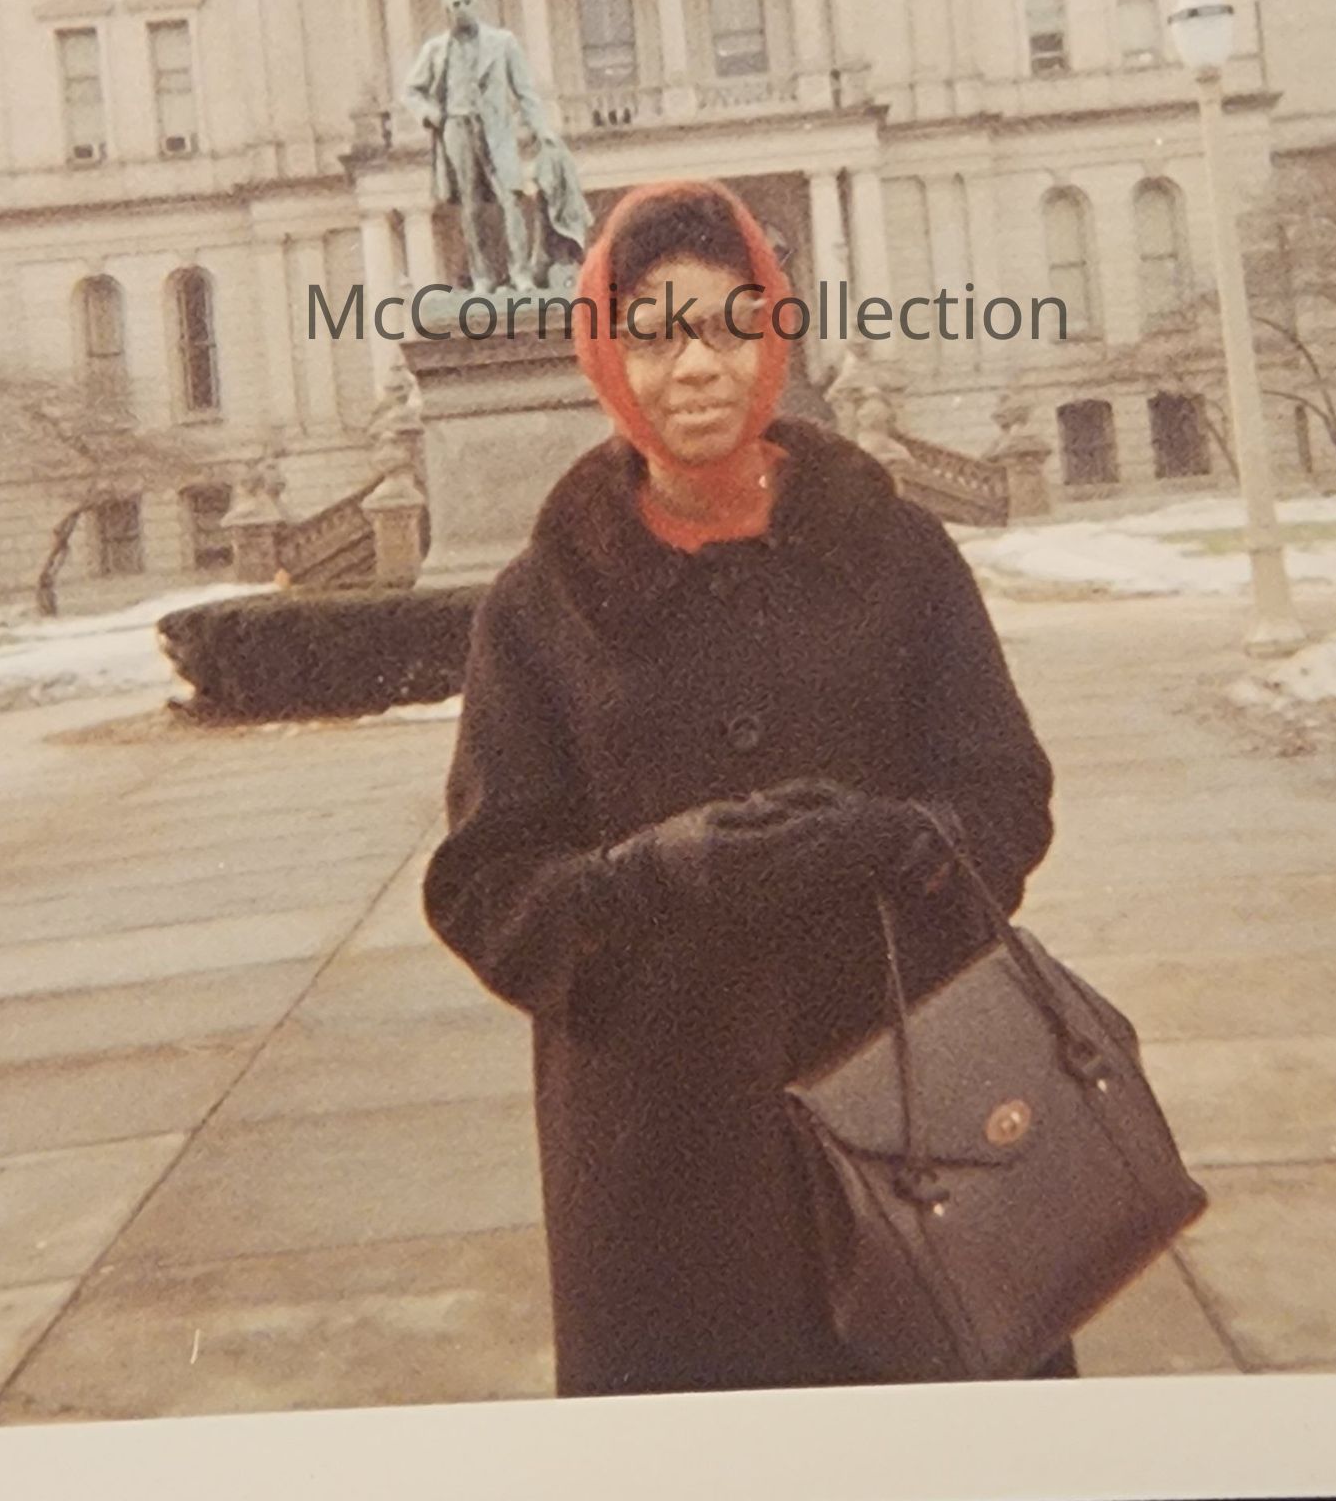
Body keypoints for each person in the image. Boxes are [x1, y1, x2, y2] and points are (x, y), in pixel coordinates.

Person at [423, 178, 1069, 1396]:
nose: (696, 366)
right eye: (655, 335)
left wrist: (902, 840)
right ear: (607, 356)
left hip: (912, 1108)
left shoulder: (898, 552)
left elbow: (1003, 792)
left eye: (730, 326)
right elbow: (487, 889)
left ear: (776, 335)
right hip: (664, 1171)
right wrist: (649, 878)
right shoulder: (541, 603)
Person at [401, 0, 552, 294]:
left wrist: (541, 129)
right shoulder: (436, 50)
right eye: (455, 5)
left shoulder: (503, 42)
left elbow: (525, 91)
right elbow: (411, 92)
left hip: (497, 129)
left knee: (510, 198)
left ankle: (520, 273)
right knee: (470, 206)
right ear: (446, 11)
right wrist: (431, 114)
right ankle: (481, 277)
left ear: (477, 4)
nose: (463, 9)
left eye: (467, 2)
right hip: (457, 128)